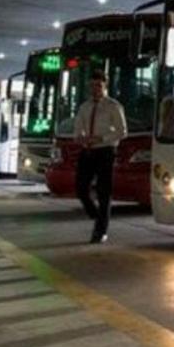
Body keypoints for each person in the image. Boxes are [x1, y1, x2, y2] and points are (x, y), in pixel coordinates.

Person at [73, 69, 127, 243]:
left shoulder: (113, 106)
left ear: (105, 86)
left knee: (104, 192)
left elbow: (122, 131)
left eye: (99, 85)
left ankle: (100, 231)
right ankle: (95, 214)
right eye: (92, 85)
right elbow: (77, 131)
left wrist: (101, 138)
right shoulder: (84, 107)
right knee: (81, 188)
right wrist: (81, 139)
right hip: (88, 150)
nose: (95, 88)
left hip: (105, 151)